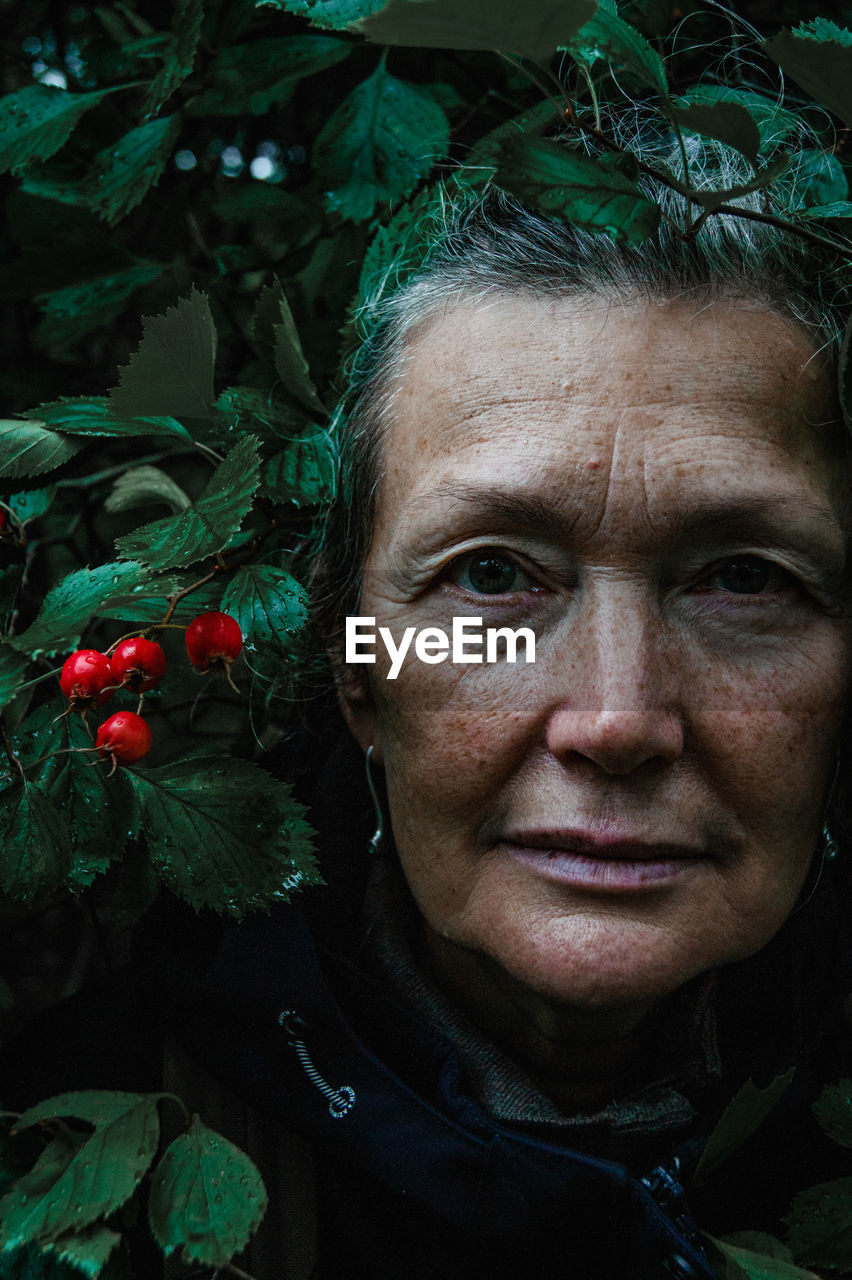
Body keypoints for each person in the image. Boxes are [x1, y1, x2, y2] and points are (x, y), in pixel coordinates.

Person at [6, 119, 852, 1280]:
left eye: (743, 577)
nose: (616, 719)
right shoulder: (50, 1160)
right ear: (358, 668)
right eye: (493, 574)